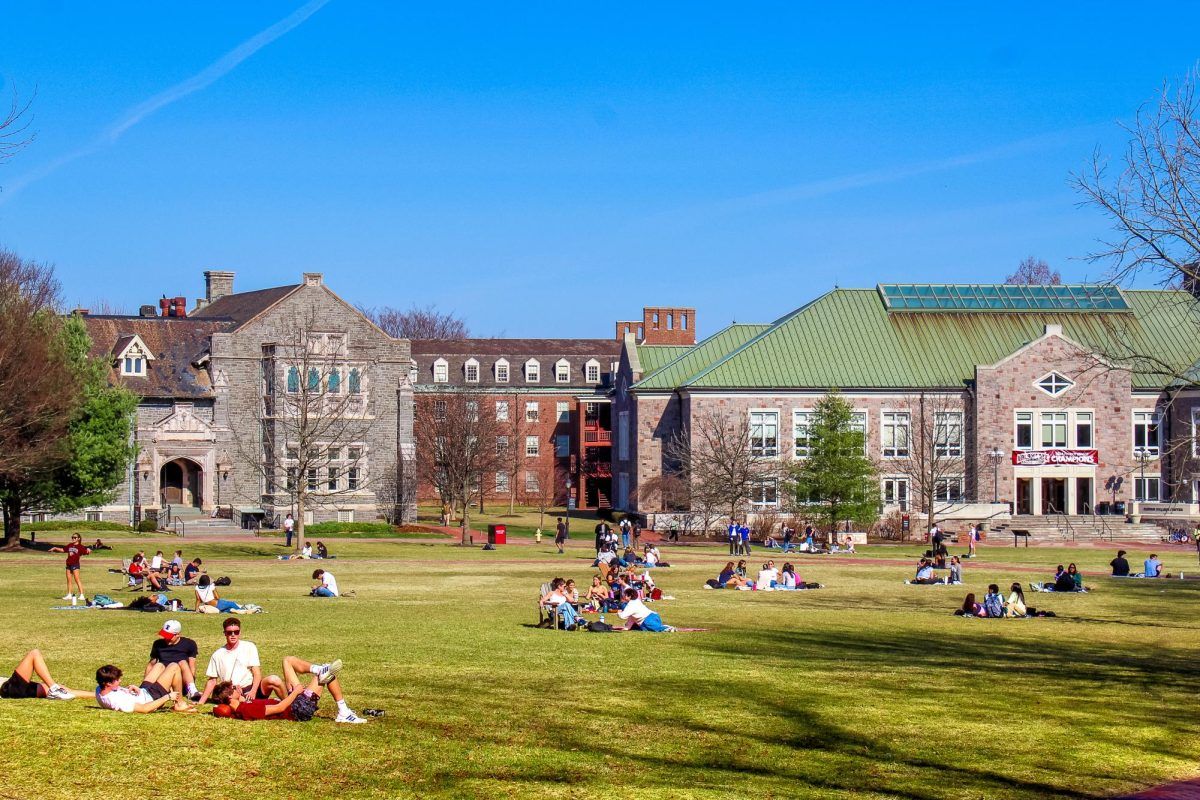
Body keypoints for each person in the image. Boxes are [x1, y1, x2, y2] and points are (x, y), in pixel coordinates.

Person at [212, 655, 365, 723]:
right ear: (231, 697)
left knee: (288, 661)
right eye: (234, 689)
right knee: (327, 675)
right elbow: (280, 707)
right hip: (298, 709)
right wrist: (297, 692)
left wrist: (241, 695)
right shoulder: (247, 710)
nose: (238, 688)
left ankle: (318, 669)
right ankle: (344, 712)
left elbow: (234, 705)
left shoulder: (243, 705)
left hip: (294, 703)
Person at [196, 619, 263, 704]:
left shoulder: (250, 647)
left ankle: (285, 703)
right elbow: (212, 680)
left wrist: (253, 691)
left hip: (250, 688)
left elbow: (257, 673)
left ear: (240, 632)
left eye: (236, 632)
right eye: (229, 632)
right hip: (232, 691)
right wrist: (201, 702)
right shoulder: (217, 654)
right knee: (232, 697)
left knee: (274, 680)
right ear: (224, 633)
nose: (233, 635)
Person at [95, 662, 192, 714]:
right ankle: (180, 704)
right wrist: (168, 697)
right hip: (151, 698)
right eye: (117, 680)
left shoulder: (99, 689)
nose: (120, 681)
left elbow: (114, 691)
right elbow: (144, 708)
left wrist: (130, 690)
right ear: (107, 683)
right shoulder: (119, 702)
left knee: (159, 665)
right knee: (174, 666)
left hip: (142, 692)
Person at [1, 649, 86, 701]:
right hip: (8, 690)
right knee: (34, 653)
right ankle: (54, 689)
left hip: (19, 690)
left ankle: (97, 694)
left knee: (65, 690)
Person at [147, 619, 200, 701]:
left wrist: (190, 681)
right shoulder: (157, 644)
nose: (166, 639)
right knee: (159, 665)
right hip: (164, 677)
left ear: (178, 634)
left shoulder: (189, 644)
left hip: (180, 679)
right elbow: (151, 664)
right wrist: (146, 682)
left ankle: (191, 690)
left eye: (169, 636)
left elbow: (192, 666)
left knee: (183, 662)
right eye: (165, 635)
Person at [49, 533, 91, 602]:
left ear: (78, 538)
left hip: (75, 564)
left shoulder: (80, 547)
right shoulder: (70, 545)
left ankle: (82, 595)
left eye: (75, 537)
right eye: (72, 537)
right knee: (69, 580)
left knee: (77, 579)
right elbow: (63, 550)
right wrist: (55, 548)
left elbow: (86, 552)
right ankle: (69, 595)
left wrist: (89, 550)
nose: (73, 539)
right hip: (68, 564)